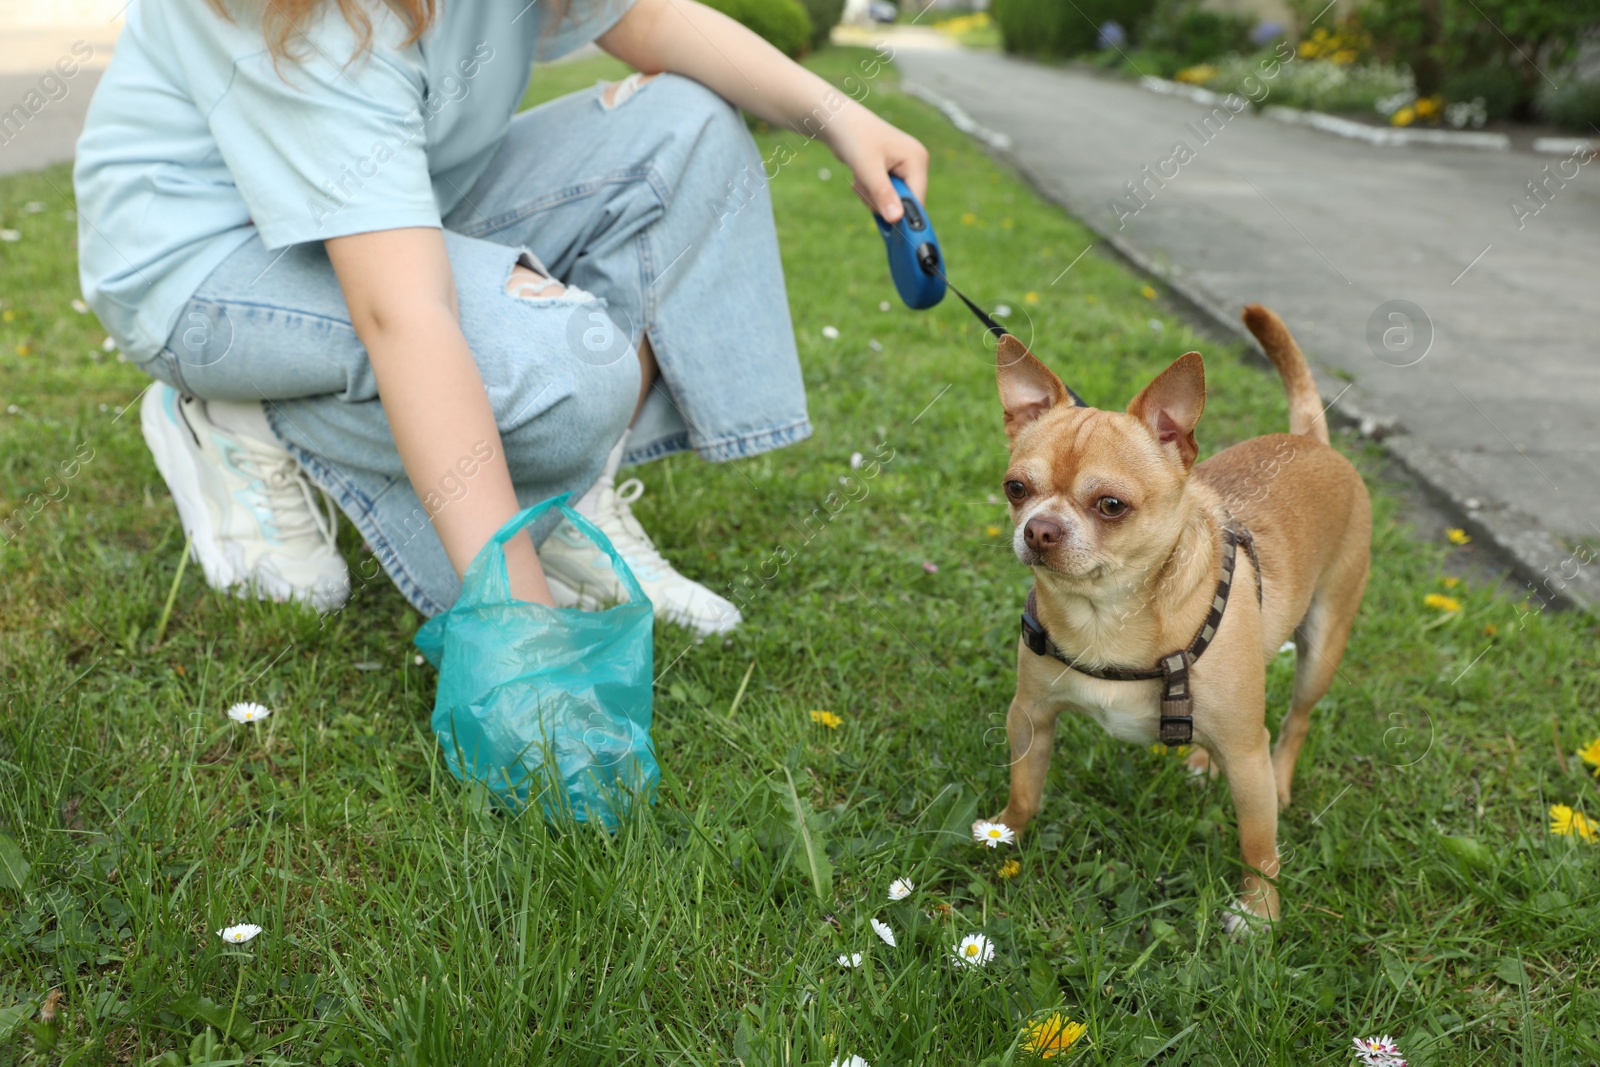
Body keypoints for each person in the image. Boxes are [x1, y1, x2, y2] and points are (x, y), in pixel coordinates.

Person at [74, 0, 927, 636]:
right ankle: (243, 406)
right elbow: (402, 311)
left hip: (396, 208)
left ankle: (566, 505)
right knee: (569, 370)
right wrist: (521, 629)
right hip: (208, 268)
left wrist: (840, 115)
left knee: (689, 130)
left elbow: (644, 13)